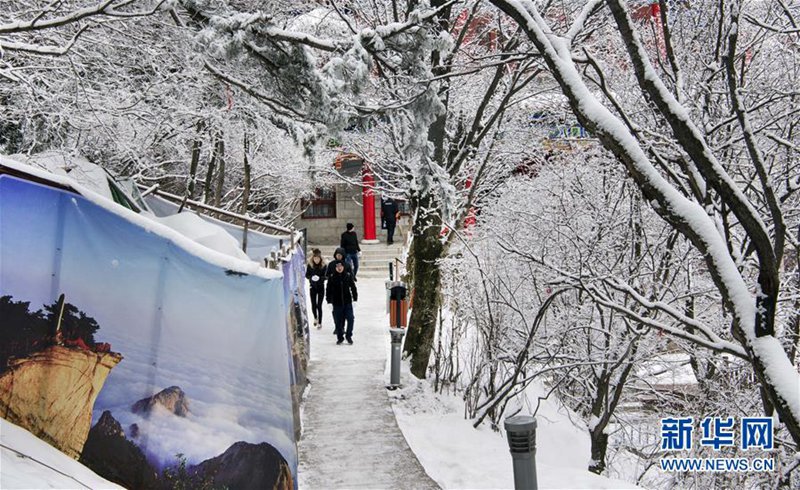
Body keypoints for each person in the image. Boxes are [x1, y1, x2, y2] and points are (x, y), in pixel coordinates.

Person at [326, 260, 358, 345]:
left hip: (347, 302)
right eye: (338, 267)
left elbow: (353, 287)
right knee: (338, 322)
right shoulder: (332, 277)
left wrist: (355, 299)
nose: (339, 268)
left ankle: (348, 336)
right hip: (336, 303)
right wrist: (329, 301)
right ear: (336, 268)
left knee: (350, 319)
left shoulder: (348, 276)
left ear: (343, 267)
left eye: (341, 267)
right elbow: (328, 290)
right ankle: (340, 337)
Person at [305, 249, 326, 329]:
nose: (316, 260)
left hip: (321, 287)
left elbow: (326, 276)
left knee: (319, 305)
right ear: (313, 258)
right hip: (312, 287)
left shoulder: (324, 266)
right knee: (313, 304)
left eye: (318, 258)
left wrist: (320, 278)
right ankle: (315, 317)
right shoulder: (310, 265)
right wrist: (311, 278)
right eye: (315, 258)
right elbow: (307, 275)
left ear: (320, 258)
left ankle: (320, 322)